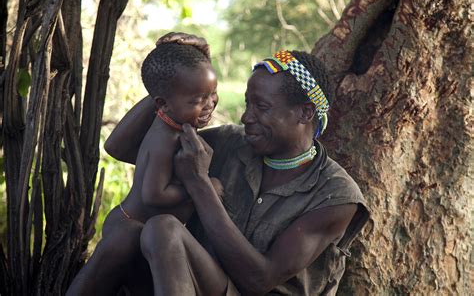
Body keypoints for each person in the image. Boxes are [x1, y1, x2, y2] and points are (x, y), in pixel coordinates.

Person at [106, 33, 370, 295]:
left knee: (165, 230)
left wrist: (200, 184)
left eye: (262, 107)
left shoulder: (336, 195)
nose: (246, 117)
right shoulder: (232, 144)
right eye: (247, 103)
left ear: (305, 113)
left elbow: (259, 281)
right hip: (192, 286)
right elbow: (122, 148)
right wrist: (177, 87)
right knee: (137, 232)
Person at [67, 39, 221, 295]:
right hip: (129, 224)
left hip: (144, 228)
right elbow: (153, 194)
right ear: (162, 104)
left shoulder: (176, 125)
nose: (209, 104)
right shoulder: (165, 139)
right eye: (198, 100)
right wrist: (202, 186)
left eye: (212, 94)